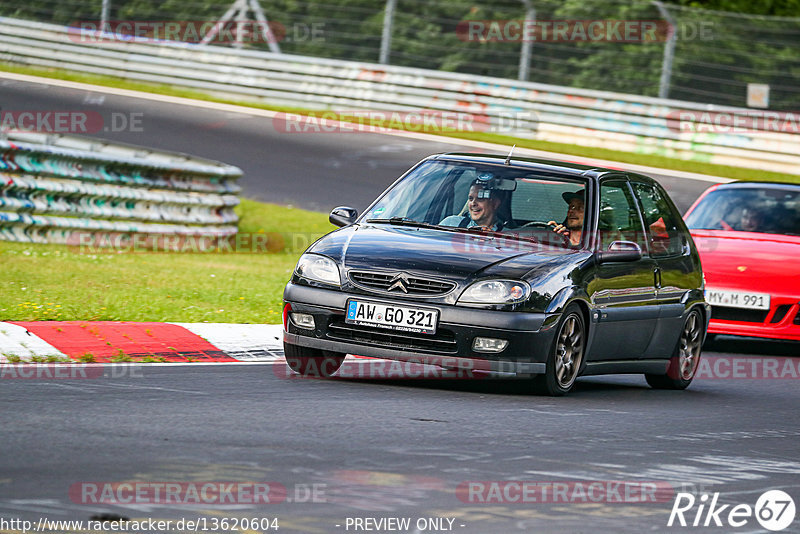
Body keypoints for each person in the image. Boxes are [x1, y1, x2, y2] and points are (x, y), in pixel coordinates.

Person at [440, 182, 509, 231]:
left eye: (480, 199)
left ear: (495, 203)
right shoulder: (451, 223)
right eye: (470, 198)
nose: (473, 203)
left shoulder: (507, 235)